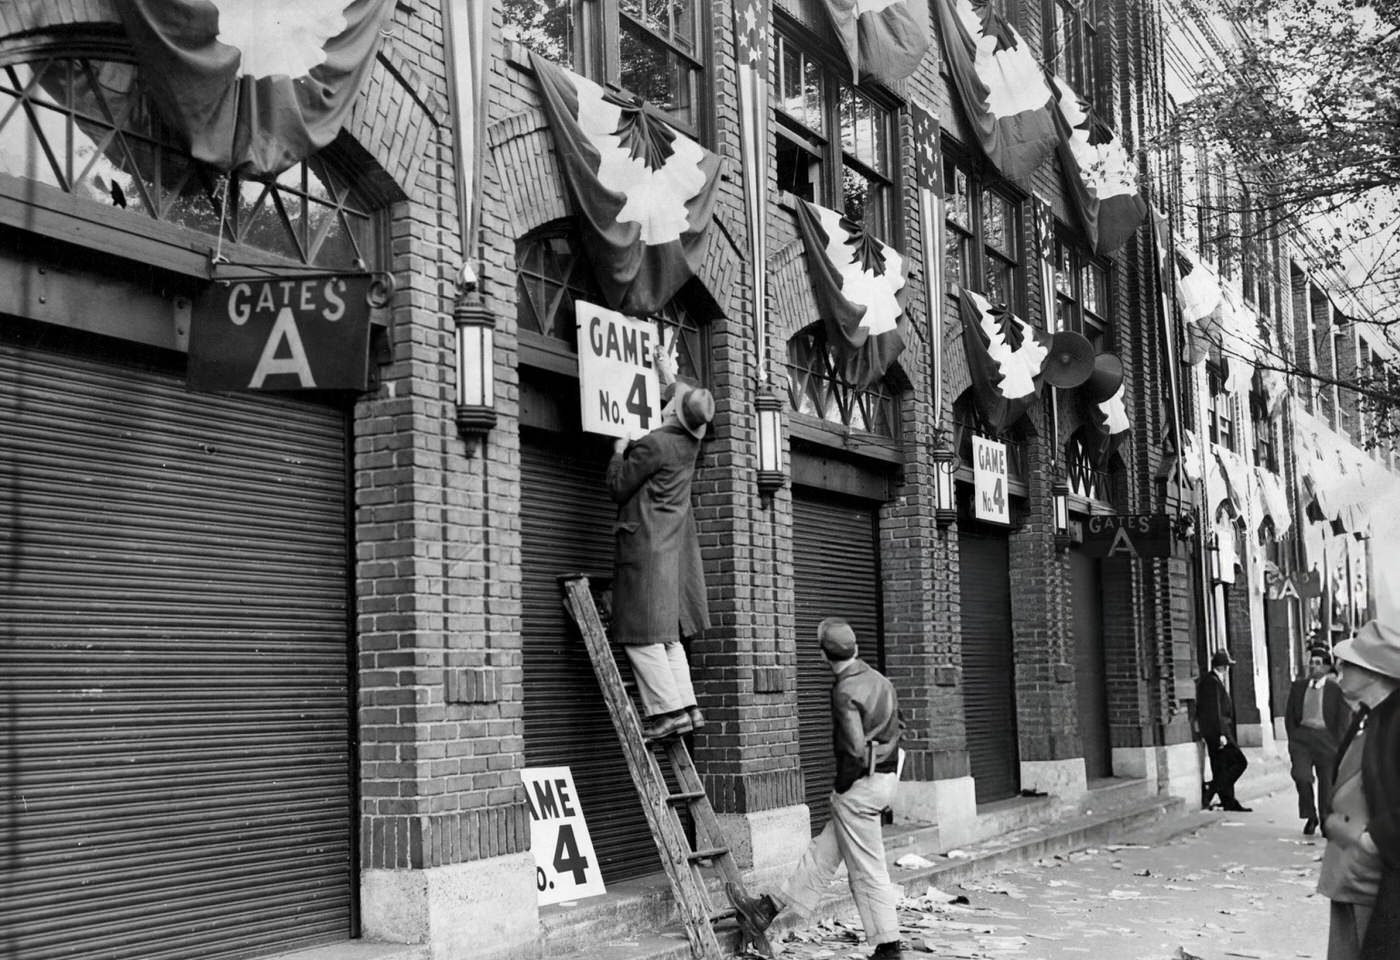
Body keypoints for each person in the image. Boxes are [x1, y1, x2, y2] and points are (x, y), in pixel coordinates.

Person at [726, 619, 904, 960]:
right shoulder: (880, 680)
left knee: (867, 866)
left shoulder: (844, 690)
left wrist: (841, 790)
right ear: (855, 648)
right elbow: (899, 728)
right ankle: (766, 910)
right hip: (884, 778)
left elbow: (852, 750)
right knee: (822, 853)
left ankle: (889, 946)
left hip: (860, 787)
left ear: (823, 655)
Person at [605, 348, 715, 741]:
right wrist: (665, 370)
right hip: (669, 554)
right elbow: (679, 393)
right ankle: (688, 706)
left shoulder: (654, 445)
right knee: (667, 635)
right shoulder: (689, 443)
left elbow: (619, 488)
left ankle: (666, 713)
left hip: (644, 549)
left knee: (639, 637)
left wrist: (619, 451)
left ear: (672, 413)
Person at [1317, 619, 1400, 960]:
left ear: (1373, 671)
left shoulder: (1393, 721)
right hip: (1350, 873)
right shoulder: (1369, 716)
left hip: (1376, 878)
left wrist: (1374, 838)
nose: (1338, 674)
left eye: (1347, 665)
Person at [1285, 645, 1352, 835]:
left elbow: (1343, 720)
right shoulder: (1298, 687)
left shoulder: (1335, 690)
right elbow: (1290, 715)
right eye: (1311, 663)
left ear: (1325, 668)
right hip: (1302, 739)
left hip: (1326, 740)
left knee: (1326, 784)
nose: (1313, 667)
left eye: (1317, 663)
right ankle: (1309, 814)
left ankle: (1324, 819)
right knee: (1301, 776)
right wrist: (1293, 739)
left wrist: (1339, 745)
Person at [1197, 649, 1251, 812]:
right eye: (1227, 667)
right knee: (1240, 762)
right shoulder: (1212, 682)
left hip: (1220, 731)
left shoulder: (1212, 680)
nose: (1228, 671)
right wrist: (1221, 734)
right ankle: (1212, 788)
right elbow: (1215, 710)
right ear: (1223, 667)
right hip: (1219, 733)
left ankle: (1228, 801)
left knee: (1222, 766)